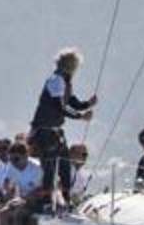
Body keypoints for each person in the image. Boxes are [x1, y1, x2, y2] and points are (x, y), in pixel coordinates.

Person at [29, 48, 96, 207]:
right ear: (70, 65)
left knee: (65, 166)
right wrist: (80, 117)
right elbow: (58, 106)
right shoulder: (56, 80)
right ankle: (46, 202)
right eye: (75, 65)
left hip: (56, 132)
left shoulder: (65, 81)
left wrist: (87, 104)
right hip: (45, 132)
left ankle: (66, 201)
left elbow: (72, 102)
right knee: (50, 168)